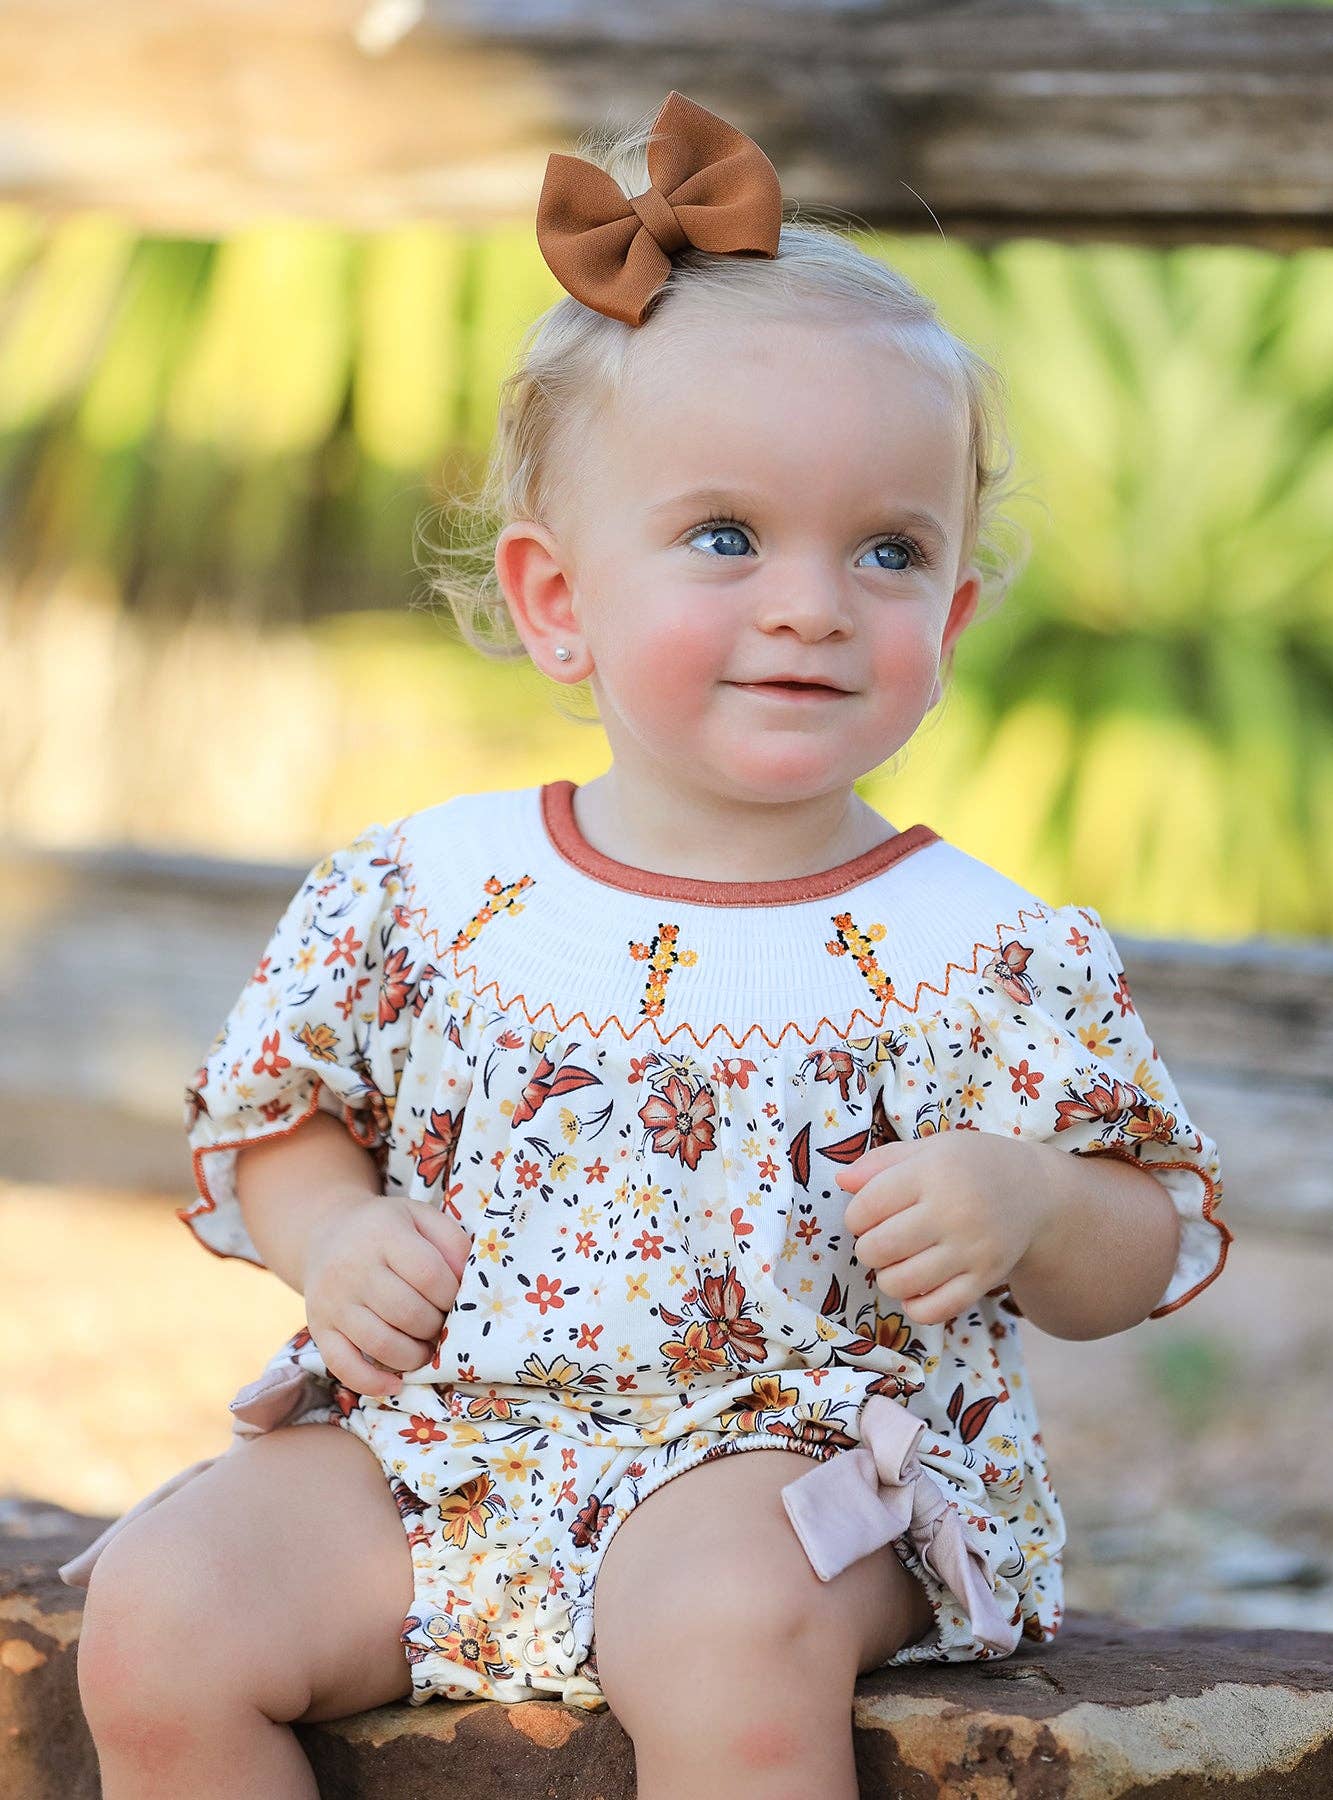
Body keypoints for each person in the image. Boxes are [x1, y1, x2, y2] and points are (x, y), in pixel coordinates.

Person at [66, 90, 1232, 1800]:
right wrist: (335, 1235)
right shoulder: (433, 890)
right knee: (164, 1608)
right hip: (446, 1445)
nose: (810, 602)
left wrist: (1032, 1203)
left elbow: (1139, 1241)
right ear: (558, 599)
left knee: (711, 1621)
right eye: (724, 537)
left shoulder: (976, 945)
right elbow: (280, 1112)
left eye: (889, 550)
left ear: (953, 615)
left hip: (803, 1467)